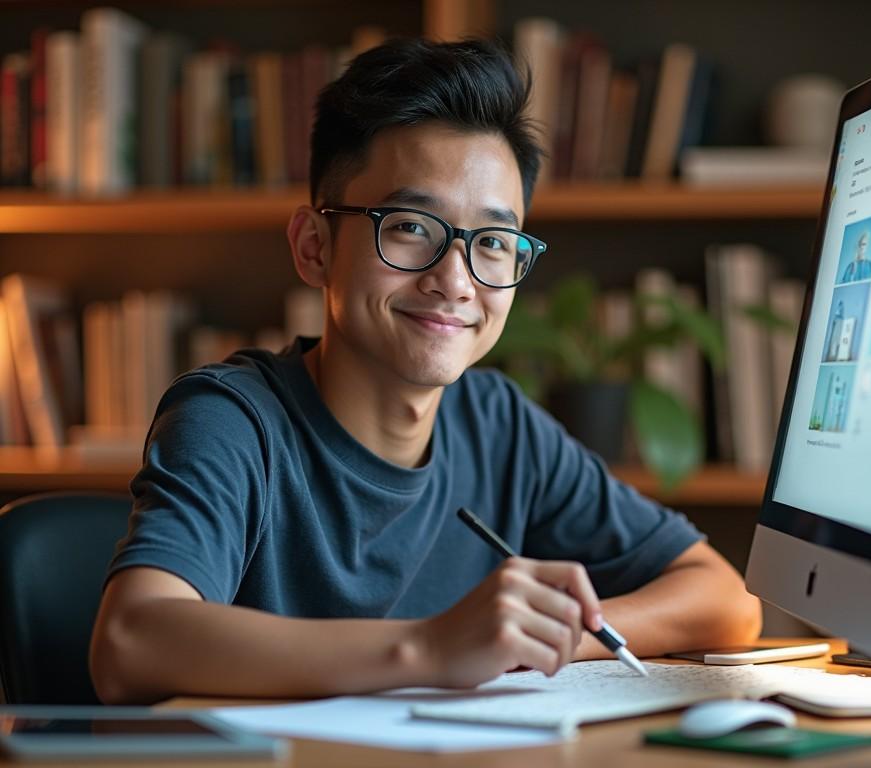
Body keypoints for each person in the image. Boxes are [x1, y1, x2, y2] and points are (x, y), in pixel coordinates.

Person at [90, 38, 761, 704]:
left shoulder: (497, 424)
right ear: (314, 247)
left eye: (493, 243)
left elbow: (724, 599)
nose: (456, 280)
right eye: (411, 226)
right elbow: (129, 643)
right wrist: (434, 649)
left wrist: (537, 642)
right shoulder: (233, 419)